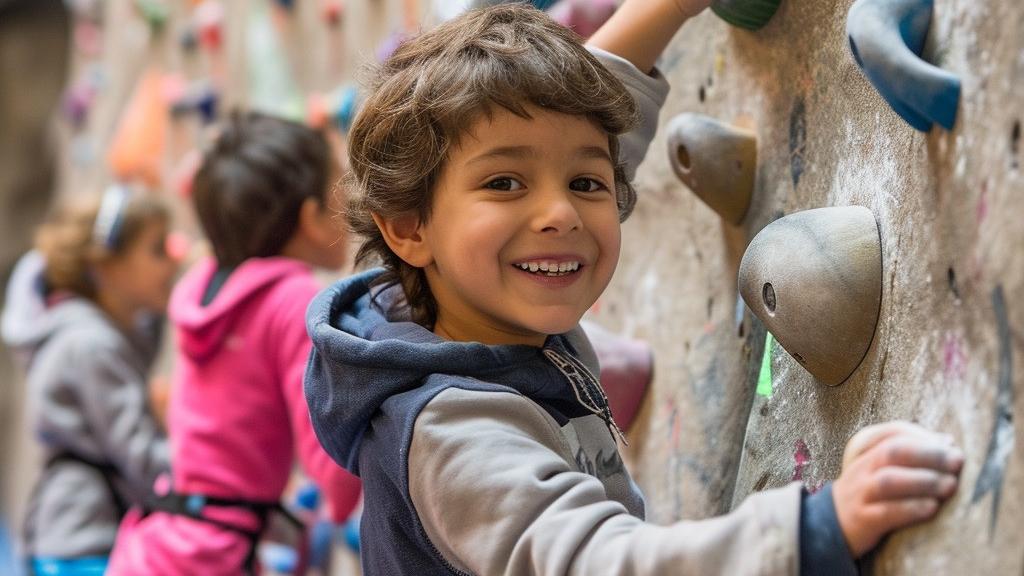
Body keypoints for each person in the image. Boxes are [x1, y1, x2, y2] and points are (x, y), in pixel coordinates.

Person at [303, 2, 965, 575]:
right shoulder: (452, 433)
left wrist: (668, 7)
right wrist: (819, 528)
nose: (560, 212)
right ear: (409, 228)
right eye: (504, 183)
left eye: (587, 184)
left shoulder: (463, 302)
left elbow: (584, 126)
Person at [106, 112, 362, 576]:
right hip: (213, 557)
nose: (352, 202)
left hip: (158, 541)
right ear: (310, 218)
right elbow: (336, 475)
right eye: (339, 189)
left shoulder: (202, 287)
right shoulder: (292, 300)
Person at [1, 186, 176, 575]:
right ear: (105, 268)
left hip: (70, 538)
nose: (172, 262)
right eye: (158, 249)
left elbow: (144, 338)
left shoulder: (91, 336)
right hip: (84, 542)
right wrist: (216, 467)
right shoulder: (91, 346)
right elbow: (145, 459)